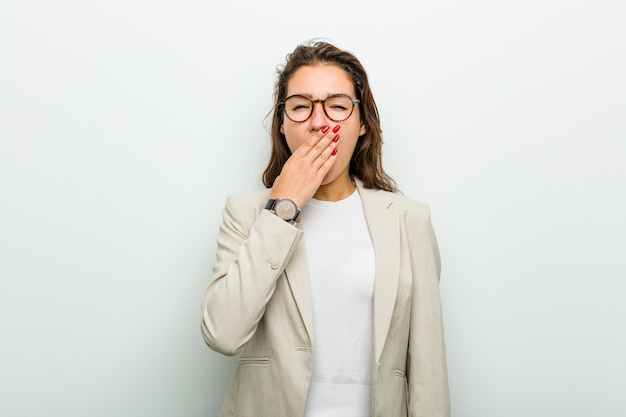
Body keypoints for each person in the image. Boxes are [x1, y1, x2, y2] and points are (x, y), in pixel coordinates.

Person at [201, 40, 450, 417]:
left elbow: (429, 374)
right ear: (282, 125)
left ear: (362, 123)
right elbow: (222, 333)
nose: (319, 122)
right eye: (300, 107)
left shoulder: (408, 220)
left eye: (336, 106)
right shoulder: (245, 213)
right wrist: (281, 209)